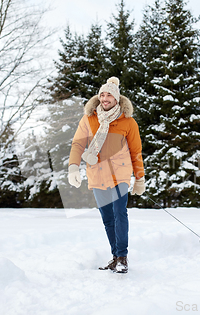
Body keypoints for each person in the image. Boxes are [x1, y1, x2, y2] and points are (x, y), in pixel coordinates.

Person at [67, 77, 145, 273]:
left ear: (117, 98)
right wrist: (73, 167)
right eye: (102, 94)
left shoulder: (128, 122)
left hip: (120, 175)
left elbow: (136, 151)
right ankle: (115, 256)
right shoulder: (89, 119)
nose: (104, 97)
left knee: (120, 214)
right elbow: (77, 144)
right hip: (97, 175)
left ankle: (122, 257)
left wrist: (139, 177)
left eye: (109, 94)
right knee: (107, 218)